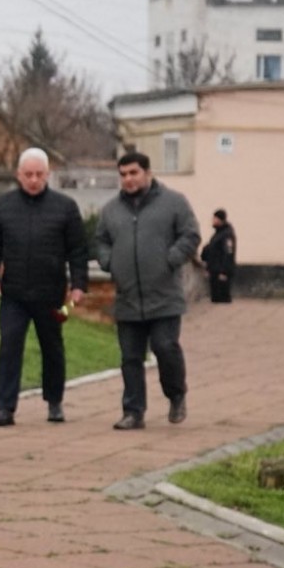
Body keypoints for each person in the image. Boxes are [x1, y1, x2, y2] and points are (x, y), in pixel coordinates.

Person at [0, 147, 90, 428]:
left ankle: (54, 401)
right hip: (14, 293)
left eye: (39, 174)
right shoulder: (2, 205)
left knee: (52, 347)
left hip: (51, 293)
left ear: (48, 175)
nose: (33, 180)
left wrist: (79, 284)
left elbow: (77, 250)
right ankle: (4, 407)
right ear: (18, 175)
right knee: (9, 346)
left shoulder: (65, 207)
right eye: (28, 174)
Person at [97, 149, 200, 430]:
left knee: (166, 348)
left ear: (147, 173)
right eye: (123, 175)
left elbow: (190, 234)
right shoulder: (111, 210)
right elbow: (101, 241)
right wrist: (109, 262)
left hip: (164, 295)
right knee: (130, 358)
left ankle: (176, 394)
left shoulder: (174, 203)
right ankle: (133, 411)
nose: (128, 179)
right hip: (128, 297)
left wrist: (171, 259)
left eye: (133, 173)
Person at [202, 209, 237, 304]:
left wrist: (224, 271)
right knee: (215, 299)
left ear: (221, 220)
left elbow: (228, 253)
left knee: (222, 300)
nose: (212, 221)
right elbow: (211, 248)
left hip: (220, 273)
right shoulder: (218, 233)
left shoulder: (227, 234)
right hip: (214, 271)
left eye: (215, 219)